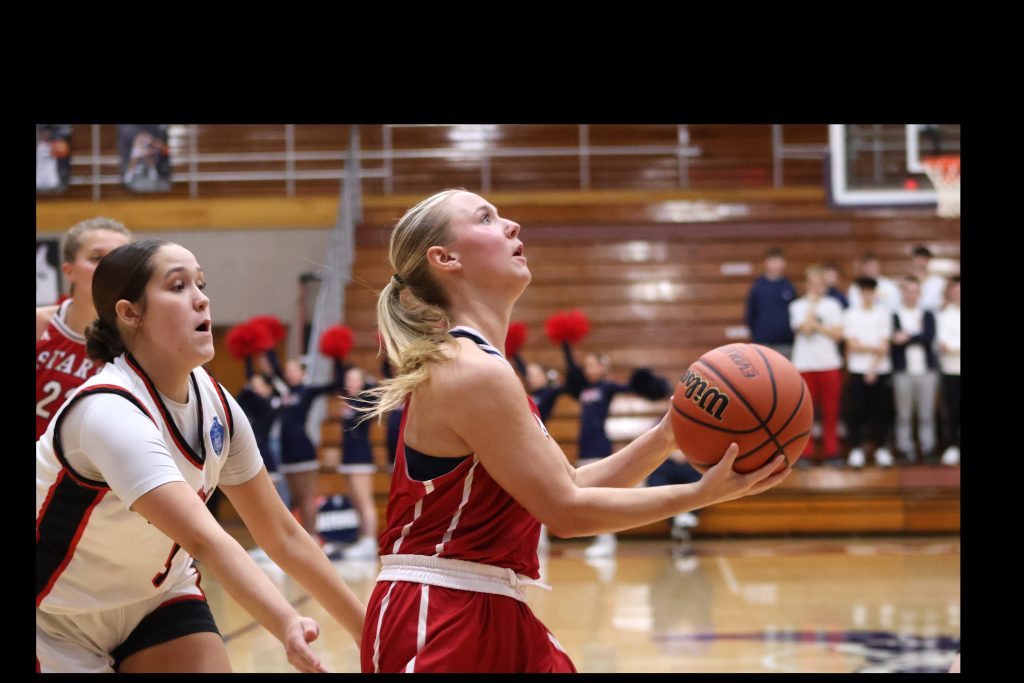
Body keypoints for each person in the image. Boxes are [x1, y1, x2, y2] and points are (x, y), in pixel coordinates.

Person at [356, 189, 791, 673]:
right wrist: (700, 494)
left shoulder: (479, 364)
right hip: (438, 609)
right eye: (486, 218)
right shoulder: (469, 369)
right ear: (446, 258)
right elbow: (565, 511)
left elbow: (571, 485)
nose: (512, 224)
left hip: (483, 599)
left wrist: (667, 434)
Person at [35, 240, 364, 673]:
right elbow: (205, 540)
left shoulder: (215, 401)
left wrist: (369, 633)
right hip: (54, 614)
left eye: (201, 284)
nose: (201, 298)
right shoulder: (108, 411)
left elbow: (282, 532)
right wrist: (284, 620)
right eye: (178, 286)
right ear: (130, 313)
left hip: (157, 597)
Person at [36, 217, 133, 439]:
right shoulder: (40, 325)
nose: (109, 267)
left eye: (120, 258)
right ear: (69, 271)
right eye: (97, 258)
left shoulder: (141, 342)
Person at [788, 265, 844, 467]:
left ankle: (832, 451)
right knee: (806, 412)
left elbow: (837, 335)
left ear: (825, 285)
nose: (816, 288)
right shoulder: (797, 306)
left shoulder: (833, 305)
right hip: (804, 365)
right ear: (807, 285)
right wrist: (811, 306)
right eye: (812, 284)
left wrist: (817, 326)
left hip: (829, 363)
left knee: (831, 411)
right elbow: (803, 329)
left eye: (819, 284)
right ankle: (805, 452)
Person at [843, 277, 895, 468]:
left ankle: (881, 448)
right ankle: (857, 448)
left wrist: (872, 368)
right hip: (857, 370)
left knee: (881, 411)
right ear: (859, 293)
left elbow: (884, 345)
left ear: (874, 293)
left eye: (870, 291)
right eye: (864, 291)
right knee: (856, 411)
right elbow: (851, 345)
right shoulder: (850, 314)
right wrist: (873, 347)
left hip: (880, 370)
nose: (867, 295)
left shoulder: (883, 313)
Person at [891, 276, 940, 464]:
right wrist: (915, 335)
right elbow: (894, 341)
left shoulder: (927, 314)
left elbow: (928, 337)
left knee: (926, 413)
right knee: (904, 414)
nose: (911, 294)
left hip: (926, 371)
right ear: (903, 292)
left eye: (915, 291)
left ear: (919, 293)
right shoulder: (895, 314)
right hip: (903, 372)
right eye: (908, 290)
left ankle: (928, 448)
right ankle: (905, 449)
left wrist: (907, 337)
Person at [337, 364, 380, 560]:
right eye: (348, 379)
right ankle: (363, 538)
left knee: (364, 500)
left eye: (355, 379)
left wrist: (367, 381)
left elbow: (378, 391)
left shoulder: (366, 400)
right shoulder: (349, 401)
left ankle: (369, 541)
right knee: (355, 500)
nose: (350, 383)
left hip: (361, 457)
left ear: (362, 382)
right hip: (348, 457)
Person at [744, 247, 796, 358]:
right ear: (766, 263)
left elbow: (794, 313)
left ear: (784, 263)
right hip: (763, 342)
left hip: (786, 343)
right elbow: (750, 314)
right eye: (772, 260)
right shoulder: (758, 286)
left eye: (778, 260)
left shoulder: (788, 286)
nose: (775, 264)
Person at [937, 277, 961, 466]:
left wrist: (953, 344)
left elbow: (951, 344)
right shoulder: (943, 315)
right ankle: (953, 446)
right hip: (950, 370)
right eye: (956, 291)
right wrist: (952, 345)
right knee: (952, 411)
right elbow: (943, 345)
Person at [908, 245, 947, 313]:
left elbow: (944, 301)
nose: (920, 262)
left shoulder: (939, 281)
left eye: (923, 259)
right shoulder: (906, 282)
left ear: (928, 260)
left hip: (934, 315)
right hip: (911, 315)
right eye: (918, 258)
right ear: (913, 259)